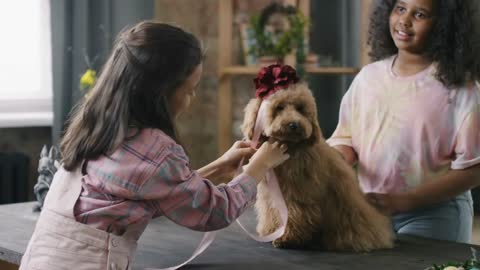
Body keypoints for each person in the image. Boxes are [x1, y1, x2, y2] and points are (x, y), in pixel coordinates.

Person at [19, 21, 289, 269]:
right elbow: (215, 211)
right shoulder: (157, 151)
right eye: (190, 90)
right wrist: (258, 167)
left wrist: (219, 166)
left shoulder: (94, 123)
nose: (192, 99)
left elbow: (149, 190)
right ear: (161, 92)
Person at [327, 0, 480, 243]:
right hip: (372, 210)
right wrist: (334, 162)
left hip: (434, 216)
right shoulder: (368, 77)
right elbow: (345, 139)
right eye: (400, 8)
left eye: (419, 14)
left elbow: (473, 170)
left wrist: (404, 201)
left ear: (442, 25)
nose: (404, 20)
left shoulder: (460, 88)